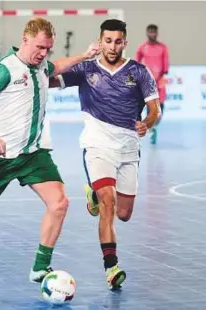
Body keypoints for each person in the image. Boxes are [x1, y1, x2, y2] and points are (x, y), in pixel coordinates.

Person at [0, 17, 99, 283]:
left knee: (60, 203)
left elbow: (57, 67)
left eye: (48, 49)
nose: (43, 54)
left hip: (33, 154)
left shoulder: (42, 65)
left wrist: (84, 56)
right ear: (25, 39)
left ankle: (40, 267)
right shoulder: (2, 69)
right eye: (40, 47)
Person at [50, 19, 160, 290]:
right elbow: (49, 78)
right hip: (97, 145)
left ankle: (93, 193)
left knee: (124, 214)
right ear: (100, 42)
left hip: (128, 148)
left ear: (125, 42)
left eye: (117, 41)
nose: (112, 46)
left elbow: (155, 109)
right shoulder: (86, 69)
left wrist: (147, 122)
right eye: (107, 41)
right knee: (108, 203)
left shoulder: (139, 72)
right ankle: (111, 268)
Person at [136, 24, 170, 144]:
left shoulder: (163, 48)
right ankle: (150, 128)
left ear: (157, 33)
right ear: (147, 33)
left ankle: (154, 126)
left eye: (154, 32)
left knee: (161, 108)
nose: (152, 34)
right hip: (147, 82)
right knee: (150, 107)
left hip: (160, 82)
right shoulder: (142, 48)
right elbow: (137, 64)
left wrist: (164, 76)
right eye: (150, 32)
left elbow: (166, 63)